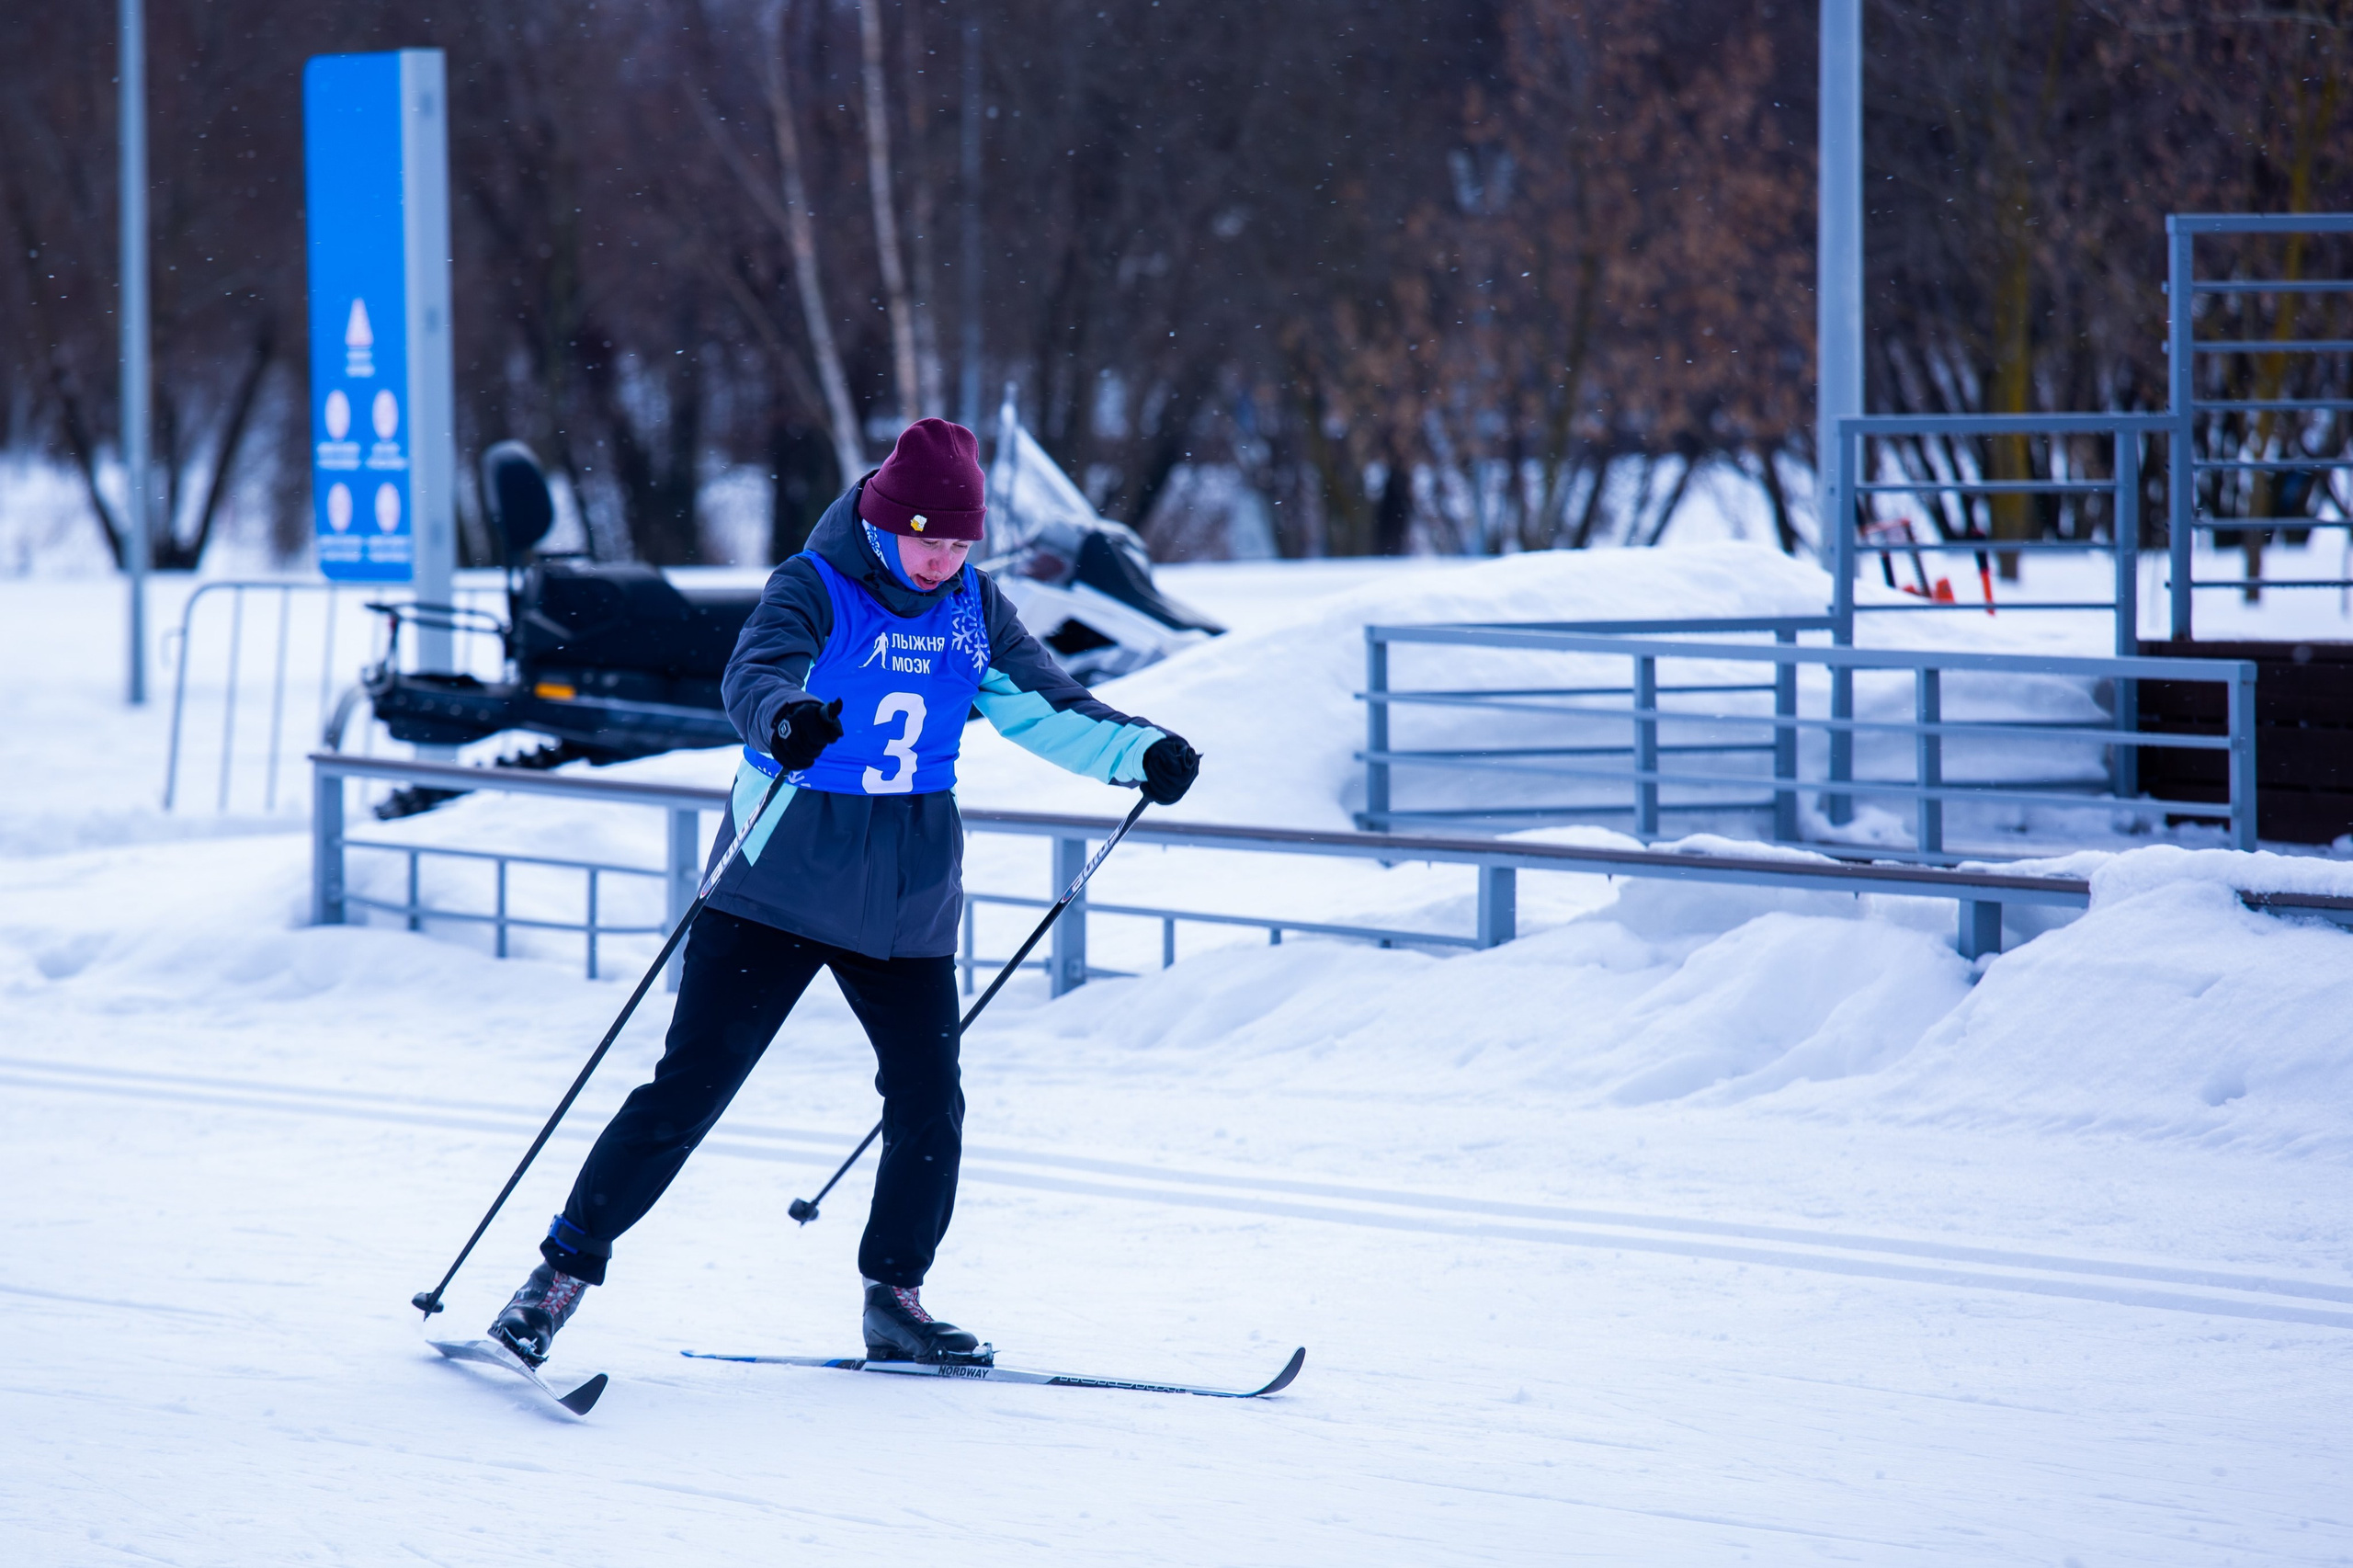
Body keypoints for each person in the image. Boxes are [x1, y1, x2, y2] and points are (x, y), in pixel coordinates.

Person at [486, 418, 1199, 1368]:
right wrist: (785, 720)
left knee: (928, 1100)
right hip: (776, 881)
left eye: (960, 542)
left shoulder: (974, 607)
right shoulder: (812, 585)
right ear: (881, 521)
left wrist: (1136, 752)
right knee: (688, 1091)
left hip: (905, 895)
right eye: (928, 539)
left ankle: (895, 1297)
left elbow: (1047, 707)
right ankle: (557, 1276)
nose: (943, 558)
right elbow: (756, 674)